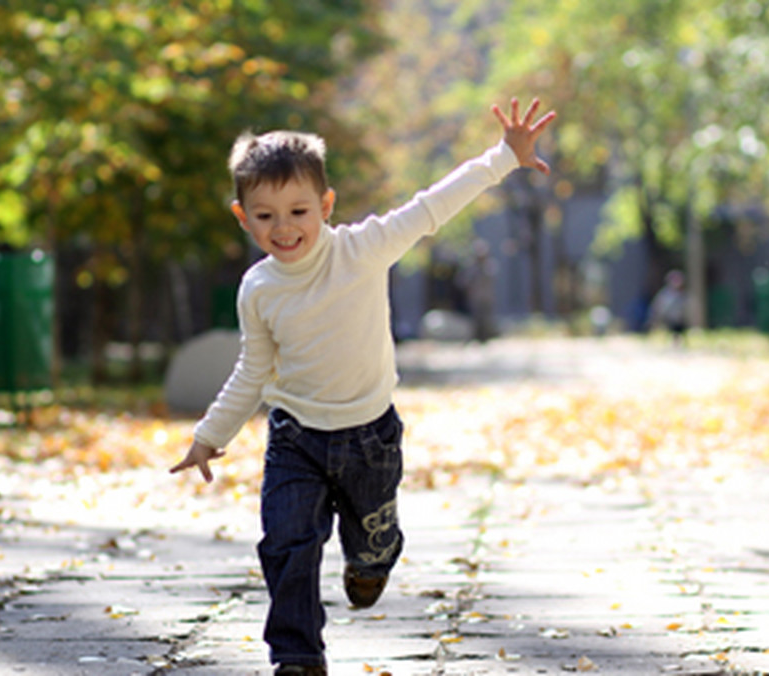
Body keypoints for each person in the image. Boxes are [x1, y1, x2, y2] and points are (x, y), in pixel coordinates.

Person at [170, 98, 557, 675]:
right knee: (286, 544)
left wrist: (502, 158)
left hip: (369, 436)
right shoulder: (258, 289)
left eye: (299, 210)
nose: (284, 228)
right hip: (295, 438)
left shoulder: (362, 248)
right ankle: (298, 655)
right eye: (265, 216)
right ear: (242, 217)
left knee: (370, 543)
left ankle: (373, 558)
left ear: (325, 205)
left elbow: (432, 207)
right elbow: (252, 368)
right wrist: (209, 435)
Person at [649, 270, 688, 345]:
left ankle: (678, 344)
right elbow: (659, 306)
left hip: (679, 318)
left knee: (679, 332)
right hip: (669, 318)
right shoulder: (665, 294)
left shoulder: (683, 294)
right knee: (671, 332)